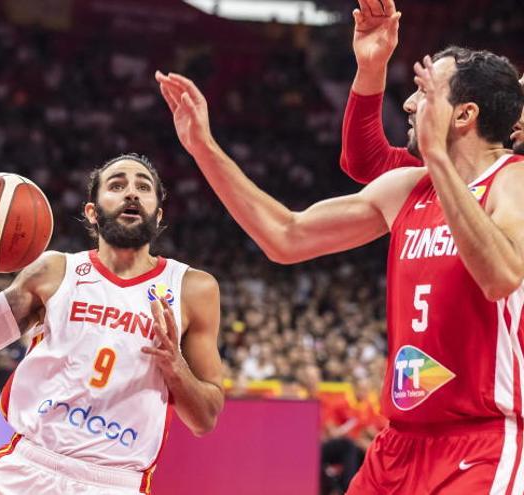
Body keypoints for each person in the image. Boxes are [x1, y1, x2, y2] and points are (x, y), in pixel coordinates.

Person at [156, 42, 524, 492]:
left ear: (464, 115)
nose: (408, 103)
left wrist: (439, 159)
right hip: (397, 446)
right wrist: (204, 148)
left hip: (478, 442)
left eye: (425, 92)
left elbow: (501, 276)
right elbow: (286, 237)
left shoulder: (512, 180)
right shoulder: (406, 188)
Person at [0, 154, 224, 494]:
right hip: (31, 470)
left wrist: (176, 369)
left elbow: (205, 419)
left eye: (143, 187)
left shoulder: (193, 289)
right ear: (92, 212)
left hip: (115, 482)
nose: (131, 193)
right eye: (117, 185)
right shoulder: (53, 272)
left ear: (158, 215)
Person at [339, 0, 524, 184]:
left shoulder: (513, 178)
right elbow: (367, 162)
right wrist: (371, 67)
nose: (516, 114)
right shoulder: (438, 168)